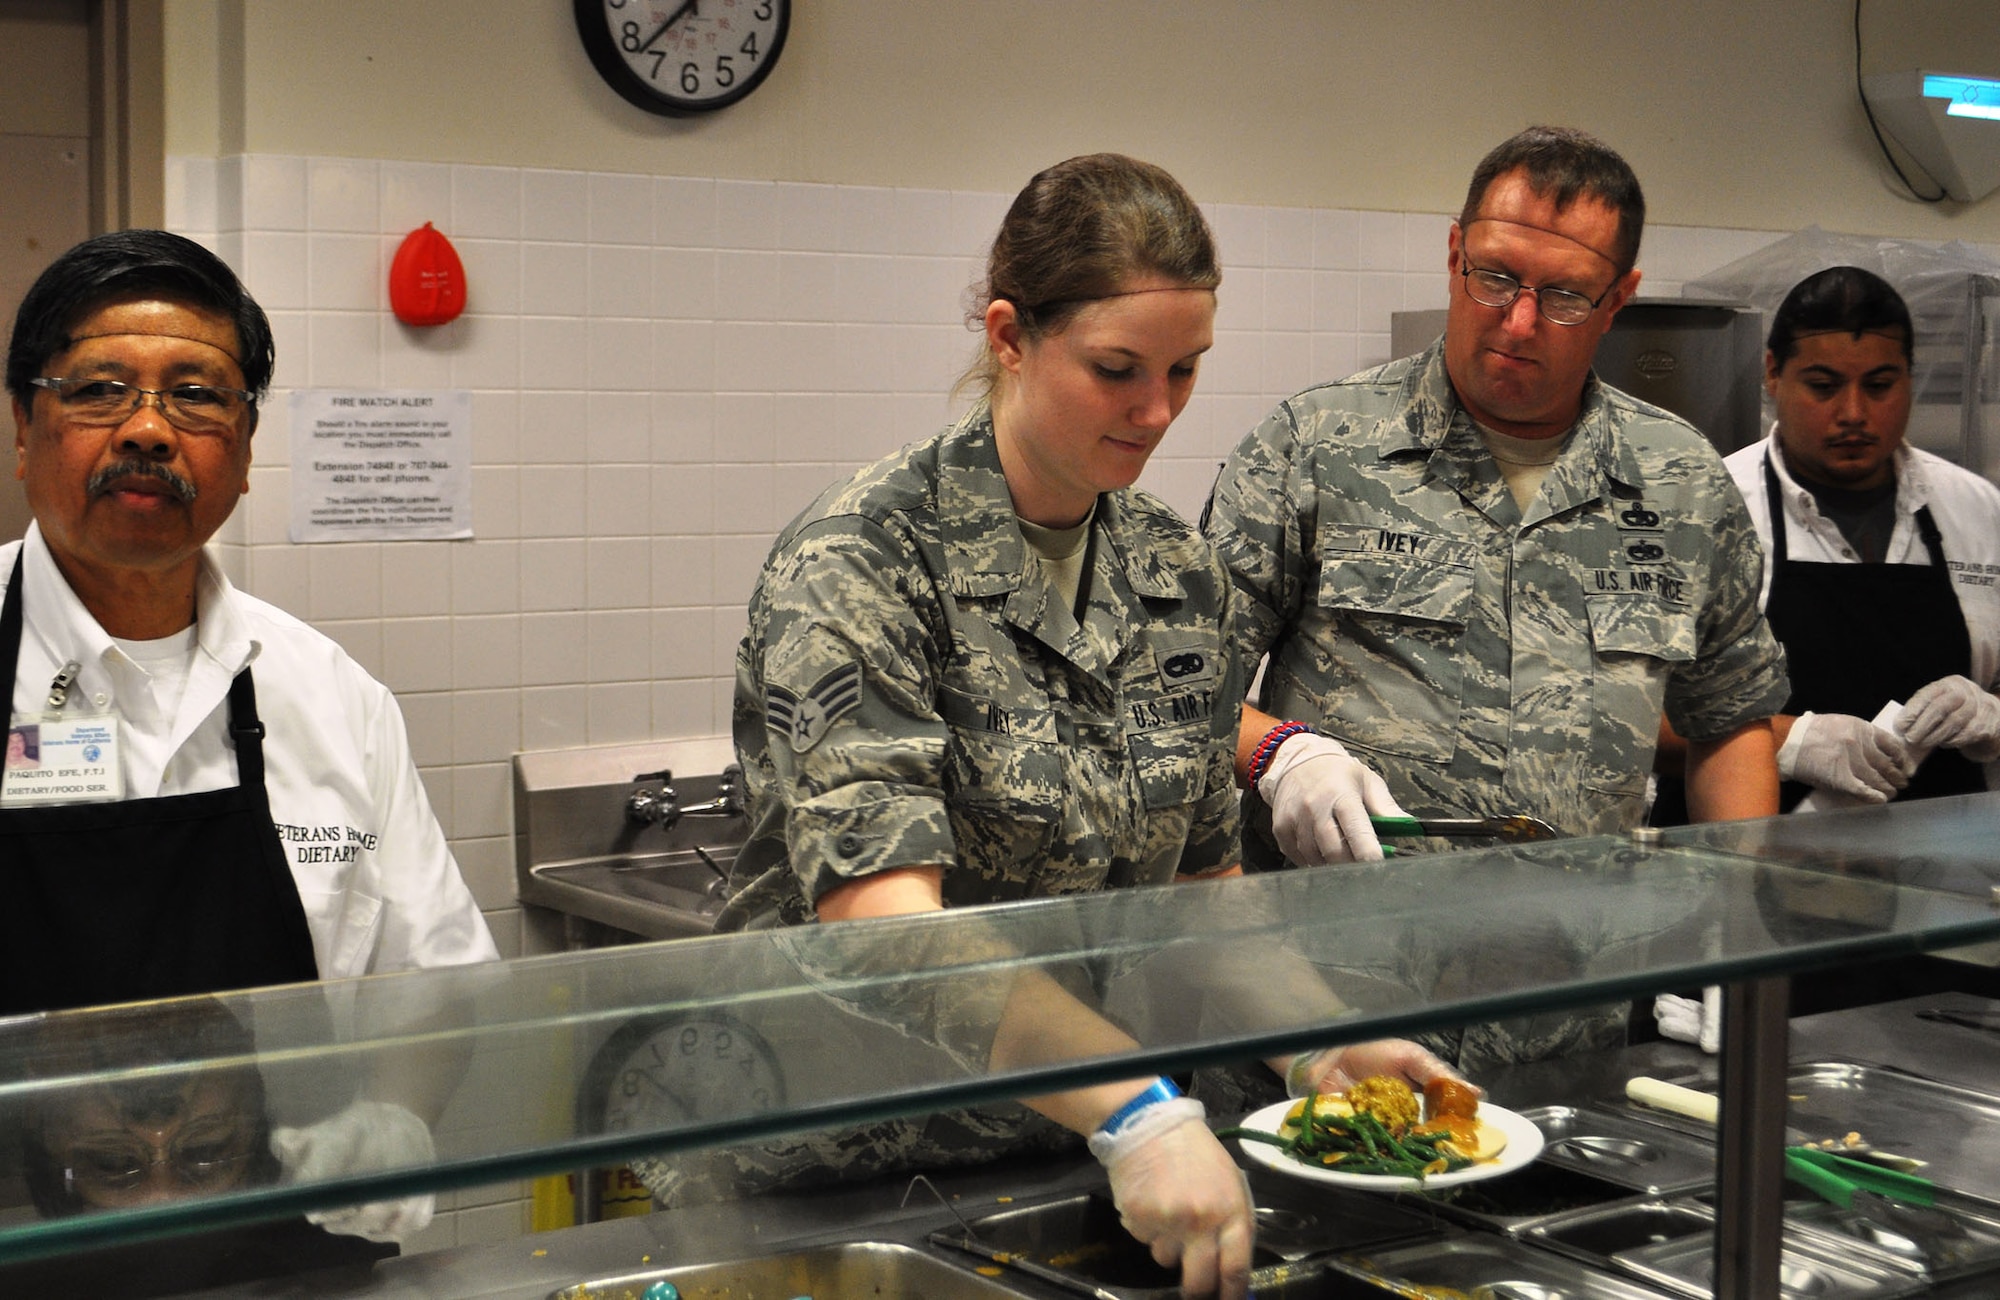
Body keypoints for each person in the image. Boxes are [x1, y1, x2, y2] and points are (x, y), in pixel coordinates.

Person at [667, 154, 1456, 1300]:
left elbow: (1199, 893)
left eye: (1184, 370)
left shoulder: (1171, 573)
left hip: (1053, 1165)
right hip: (830, 1175)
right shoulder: (863, 562)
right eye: (1116, 370)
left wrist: (1320, 1046)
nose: (1156, 411)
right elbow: (885, 925)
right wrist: (1136, 1107)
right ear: (1007, 335)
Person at [1202, 126, 1790, 1072]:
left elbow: (1729, 721)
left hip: (1571, 1032)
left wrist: (1735, 922)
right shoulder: (1317, 448)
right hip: (1328, 1018)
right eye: (1494, 278)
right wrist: (1278, 753)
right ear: (1453, 254)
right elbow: (1175, 685)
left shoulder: (1680, 484)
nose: (1517, 322)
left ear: (1618, 302)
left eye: (1561, 297)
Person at [1, 229, 498, 1247]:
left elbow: (438, 984)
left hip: (290, 1245)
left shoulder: (331, 697)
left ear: (247, 445)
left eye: (195, 393)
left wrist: (392, 1120)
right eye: (99, 389)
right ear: (22, 427)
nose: (147, 430)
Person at [1721, 266, 2000, 807]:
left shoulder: (1979, 511)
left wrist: (1994, 716)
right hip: (1753, 866)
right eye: (1823, 387)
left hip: (1945, 870)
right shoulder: (1712, 508)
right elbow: (1629, 714)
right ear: (1774, 374)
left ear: (1908, 376)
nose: (1853, 413)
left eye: (1879, 386)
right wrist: (1786, 741)